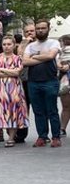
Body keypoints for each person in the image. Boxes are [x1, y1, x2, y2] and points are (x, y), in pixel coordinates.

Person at [20, 18, 62, 146]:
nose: (40, 30)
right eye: (38, 28)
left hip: (50, 81)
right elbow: (24, 62)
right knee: (38, 111)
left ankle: (56, 137)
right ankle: (42, 137)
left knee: (52, 110)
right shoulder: (30, 46)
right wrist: (43, 56)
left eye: (43, 28)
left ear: (48, 29)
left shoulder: (53, 43)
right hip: (33, 82)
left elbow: (51, 56)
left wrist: (34, 56)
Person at [0, 35, 28, 146]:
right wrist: (10, 71)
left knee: (13, 112)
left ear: (13, 45)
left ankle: (11, 139)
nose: (6, 47)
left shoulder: (17, 58)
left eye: (9, 44)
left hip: (14, 89)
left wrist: (1, 69)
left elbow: (17, 73)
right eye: (4, 44)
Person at [58, 34, 70, 136]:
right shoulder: (60, 53)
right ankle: (62, 128)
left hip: (65, 80)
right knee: (66, 106)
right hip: (65, 80)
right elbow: (57, 63)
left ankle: (62, 128)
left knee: (66, 106)